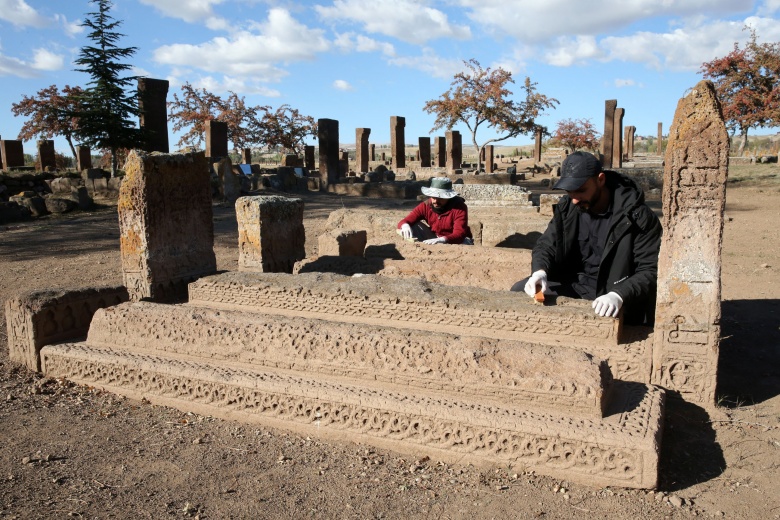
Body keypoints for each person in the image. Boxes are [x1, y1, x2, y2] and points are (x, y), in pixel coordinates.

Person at [511, 151, 661, 325]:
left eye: (581, 190)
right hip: (574, 284)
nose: (574, 199)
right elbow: (546, 245)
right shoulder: (568, 207)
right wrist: (540, 271)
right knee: (518, 291)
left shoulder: (638, 217)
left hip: (612, 289)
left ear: (600, 180)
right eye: (569, 191)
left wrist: (619, 294)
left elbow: (650, 269)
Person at [397, 177, 473, 245]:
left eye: (440, 198)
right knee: (411, 225)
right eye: (433, 197)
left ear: (448, 197)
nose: (435, 201)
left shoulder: (459, 207)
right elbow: (405, 221)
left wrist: (443, 239)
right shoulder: (426, 205)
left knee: (464, 243)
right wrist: (404, 225)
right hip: (435, 237)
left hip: (457, 240)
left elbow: (459, 234)